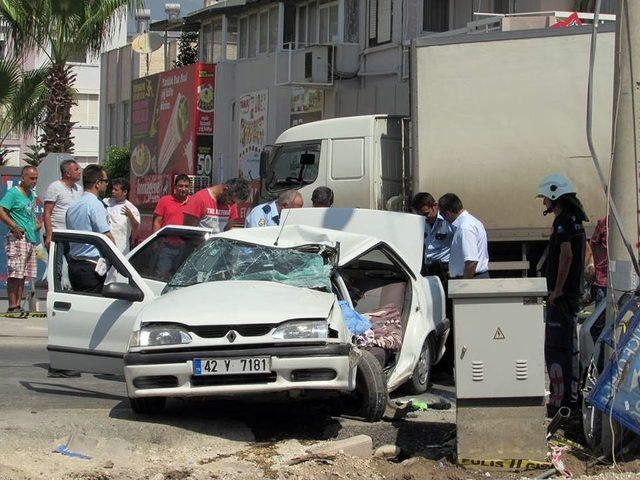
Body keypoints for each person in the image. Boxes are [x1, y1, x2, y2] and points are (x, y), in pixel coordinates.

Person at [536, 173, 588, 415]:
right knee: (571, 348)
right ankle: (571, 399)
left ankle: (560, 403)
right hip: (572, 295)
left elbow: (566, 255)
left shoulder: (562, 222)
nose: (544, 202)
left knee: (557, 349)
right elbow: (583, 253)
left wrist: (557, 290)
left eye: (546, 198)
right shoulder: (576, 220)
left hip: (562, 297)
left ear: (555, 196)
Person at [65, 165, 114, 293]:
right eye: (105, 181)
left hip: (74, 265)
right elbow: (106, 236)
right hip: (91, 267)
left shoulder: (73, 206)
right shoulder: (95, 205)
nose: (106, 185)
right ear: (97, 183)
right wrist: (116, 258)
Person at [0, 166, 41, 312]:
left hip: (29, 238)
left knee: (23, 273)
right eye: (31, 178)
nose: (34, 181)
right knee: (15, 272)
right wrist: (13, 225)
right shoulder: (13, 193)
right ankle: (12, 305)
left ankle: (18, 304)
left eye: (36, 178)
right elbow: (1, 209)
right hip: (17, 238)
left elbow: (29, 214)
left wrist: (36, 224)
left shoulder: (30, 194)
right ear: (23, 178)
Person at [438, 193, 489, 279]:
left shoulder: (465, 228)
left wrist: (464, 285)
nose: (444, 219)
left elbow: (471, 261)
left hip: (472, 279)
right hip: (474, 277)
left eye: (442, 215)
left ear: (447, 214)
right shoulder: (471, 221)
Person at [183, 178, 250, 233]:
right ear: (225, 190)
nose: (232, 204)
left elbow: (227, 231)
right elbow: (188, 231)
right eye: (231, 201)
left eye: (235, 203)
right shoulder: (199, 199)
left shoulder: (232, 205)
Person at [411, 192, 453, 279]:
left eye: (426, 214)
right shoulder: (421, 222)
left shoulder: (447, 220)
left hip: (445, 269)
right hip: (428, 268)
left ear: (435, 206)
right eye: (420, 215)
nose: (424, 218)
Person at [43, 159, 82, 250]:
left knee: (73, 263)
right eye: (76, 169)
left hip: (73, 236)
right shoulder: (54, 187)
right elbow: (47, 213)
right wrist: (49, 235)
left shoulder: (79, 189)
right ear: (67, 173)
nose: (79, 172)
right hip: (57, 235)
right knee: (57, 264)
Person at [104, 178, 140, 254]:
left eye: (116, 190)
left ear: (125, 192)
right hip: (105, 245)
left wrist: (131, 216)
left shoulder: (131, 208)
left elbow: (136, 227)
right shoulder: (106, 202)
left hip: (121, 249)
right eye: (113, 189)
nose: (112, 191)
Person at [587, 216, 607, 305]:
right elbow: (592, 244)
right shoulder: (604, 222)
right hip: (603, 279)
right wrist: (591, 264)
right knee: (601, 314)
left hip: (626, 280)